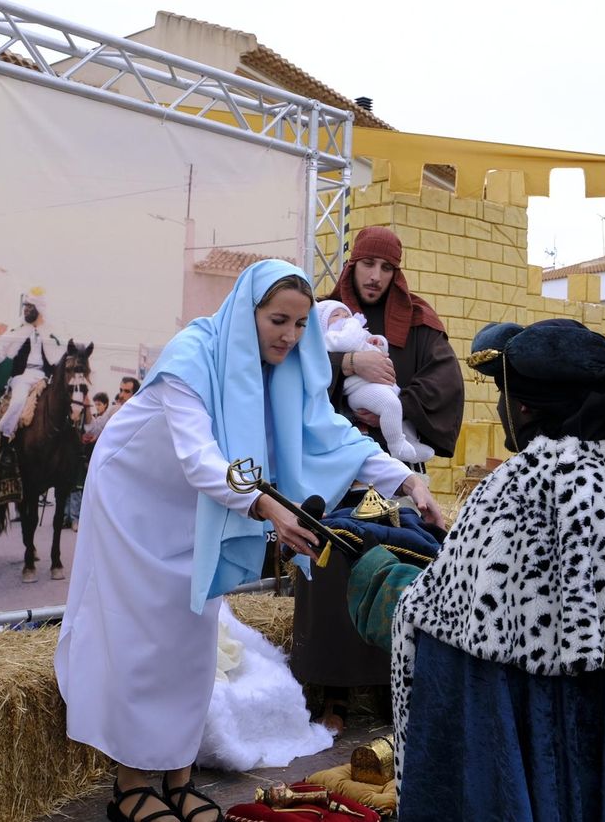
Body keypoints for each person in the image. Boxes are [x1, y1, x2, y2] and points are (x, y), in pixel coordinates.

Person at [55, 260, 443, 822]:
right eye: (277, 321)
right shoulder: (193, 355)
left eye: (300, 324)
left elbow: (328, 431)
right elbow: (199, 456)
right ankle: (133, 785)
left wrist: (405, 479)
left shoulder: (288, 367)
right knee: (142, 632)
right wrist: (265, 504)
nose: (289, 336)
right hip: (134, 497)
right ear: (247, 312)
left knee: (194, 630)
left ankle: (178, 776)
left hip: (201, 501)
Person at [346, 318, 605, 820]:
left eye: (507, 395)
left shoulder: (519, 486)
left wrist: (378, 577)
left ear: (526, 406)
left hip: (543, 745)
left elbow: (450, 624)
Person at [299, 225, 465, 731]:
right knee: (333, 571)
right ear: (352, 265)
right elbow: (296, 376)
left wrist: (395, 408)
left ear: (397, 272)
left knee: (396, 566)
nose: (375, 277)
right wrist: (348, 362)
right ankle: (334, 694)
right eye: (367, 265)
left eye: (386, 267)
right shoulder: (324, 316)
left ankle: (394, 686)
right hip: (336, 474)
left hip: (394, 476)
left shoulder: (420, 324)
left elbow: (445, 383)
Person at [316, 299, 433, 463]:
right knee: (390, 404)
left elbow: (379, 349)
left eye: (346, 314)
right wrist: (352, 324)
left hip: (382, 384)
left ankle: (412, 444)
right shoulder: (331, 337)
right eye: (336, 315)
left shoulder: (356, 333)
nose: (344, 317)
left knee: (401, 409)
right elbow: (347, 342)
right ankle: (396, 445)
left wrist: (377, 342)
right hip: (359, 389)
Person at [0, 287, 63, 440]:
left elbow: (58, 357)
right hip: (23, 376)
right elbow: (0, 352)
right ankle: (5, 435)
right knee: (18, 402)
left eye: (30, 307)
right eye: (25, 306)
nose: (25, 310)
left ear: (38, 309)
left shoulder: (49, 331)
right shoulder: (19, 328)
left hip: (43, 378)